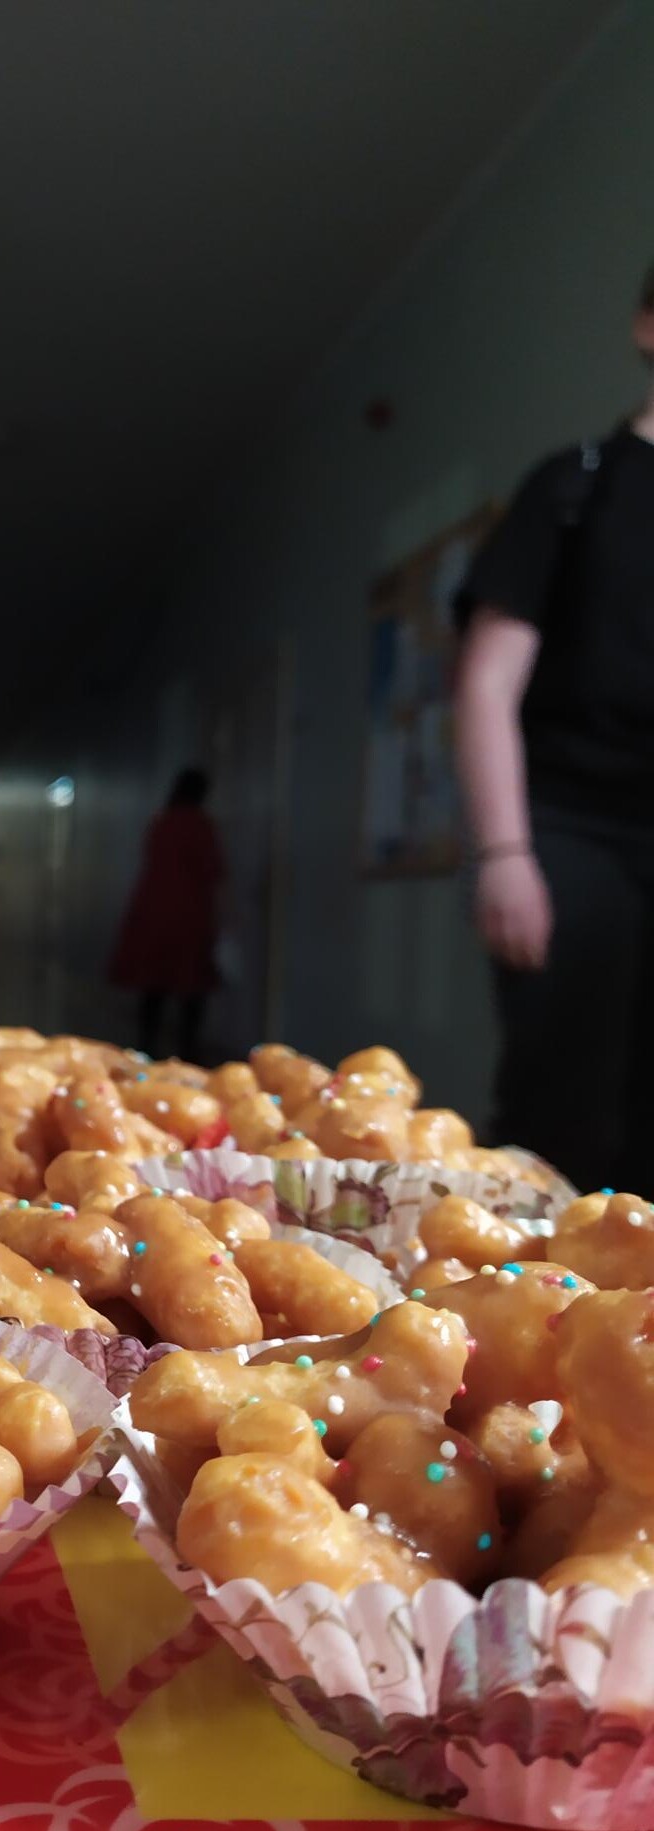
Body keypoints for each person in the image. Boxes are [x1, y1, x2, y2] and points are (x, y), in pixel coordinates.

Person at [454, 261, 654, 1191]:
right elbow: (487, 681)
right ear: (648, 326)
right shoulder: (573, 488)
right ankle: (539, 1286)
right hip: (571, 831)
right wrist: (505, 853)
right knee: (565, 1112)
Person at [109, 767, 224, 1057]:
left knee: (154, 984)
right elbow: (213, 870)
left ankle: (146, 1046)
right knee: (191, 987)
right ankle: (188, 1051)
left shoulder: (161, 822)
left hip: (155, 912)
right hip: (189, 915)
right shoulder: (200, 825)